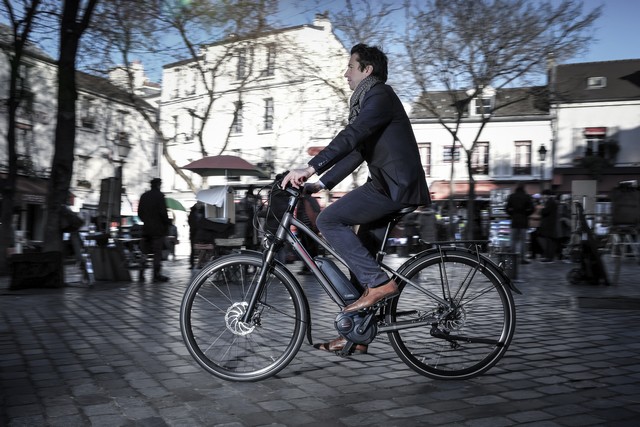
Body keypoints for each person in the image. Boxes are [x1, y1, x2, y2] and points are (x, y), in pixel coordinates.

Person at [282, 43, 430, 354]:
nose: (345, 72)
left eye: (351, 66)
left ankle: (379, 285)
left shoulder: (379, 96)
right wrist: (320, 183)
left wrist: (309, 167)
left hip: (393, 187)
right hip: (390, 185)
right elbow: (358, 151)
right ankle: (358, 335)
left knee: (329, 219)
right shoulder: (371, 100)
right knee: (359, 253)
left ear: (367, 70)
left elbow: (352, 136)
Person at [137, 178, 171, 282]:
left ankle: (141, 273)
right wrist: (167, 223)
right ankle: (156, 275)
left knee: (144, 251)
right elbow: (163, 213)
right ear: (158, 185)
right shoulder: (160, 196)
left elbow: (140, 213)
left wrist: (147, 221)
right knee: (157, 252)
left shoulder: (144, 196)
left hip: (146, 228)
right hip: (158, 229)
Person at [505, 182, 534, 264]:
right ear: (524, 187)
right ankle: (522, 258)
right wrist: (526, 214)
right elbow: (532, 208)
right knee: (523, 241)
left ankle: (512, 258)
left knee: (513, 240)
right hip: (524, 221)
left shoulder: (512, 196)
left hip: (514, 221)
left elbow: (507, 208)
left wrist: (512, 214)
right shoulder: (527, 196)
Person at [296, 193, 322, 274]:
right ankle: (309, 267)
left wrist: (314, 226)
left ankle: (310, 268)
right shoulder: (311, 200)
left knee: (308, 249)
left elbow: (310, 213)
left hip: (307, 228)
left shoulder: (306, 200)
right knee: (310, 249)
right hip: (308, 228)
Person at [538, 189, 558, 263]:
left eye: (543, 195)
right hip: (550, 224)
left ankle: (549, 257)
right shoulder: (551, 202)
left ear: (546, 195)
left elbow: (545, 212)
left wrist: (542, 208)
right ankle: (548, 256)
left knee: (549, 241)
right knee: (549, 241)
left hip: (549, 224)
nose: (542, 197)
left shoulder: (550, 202)